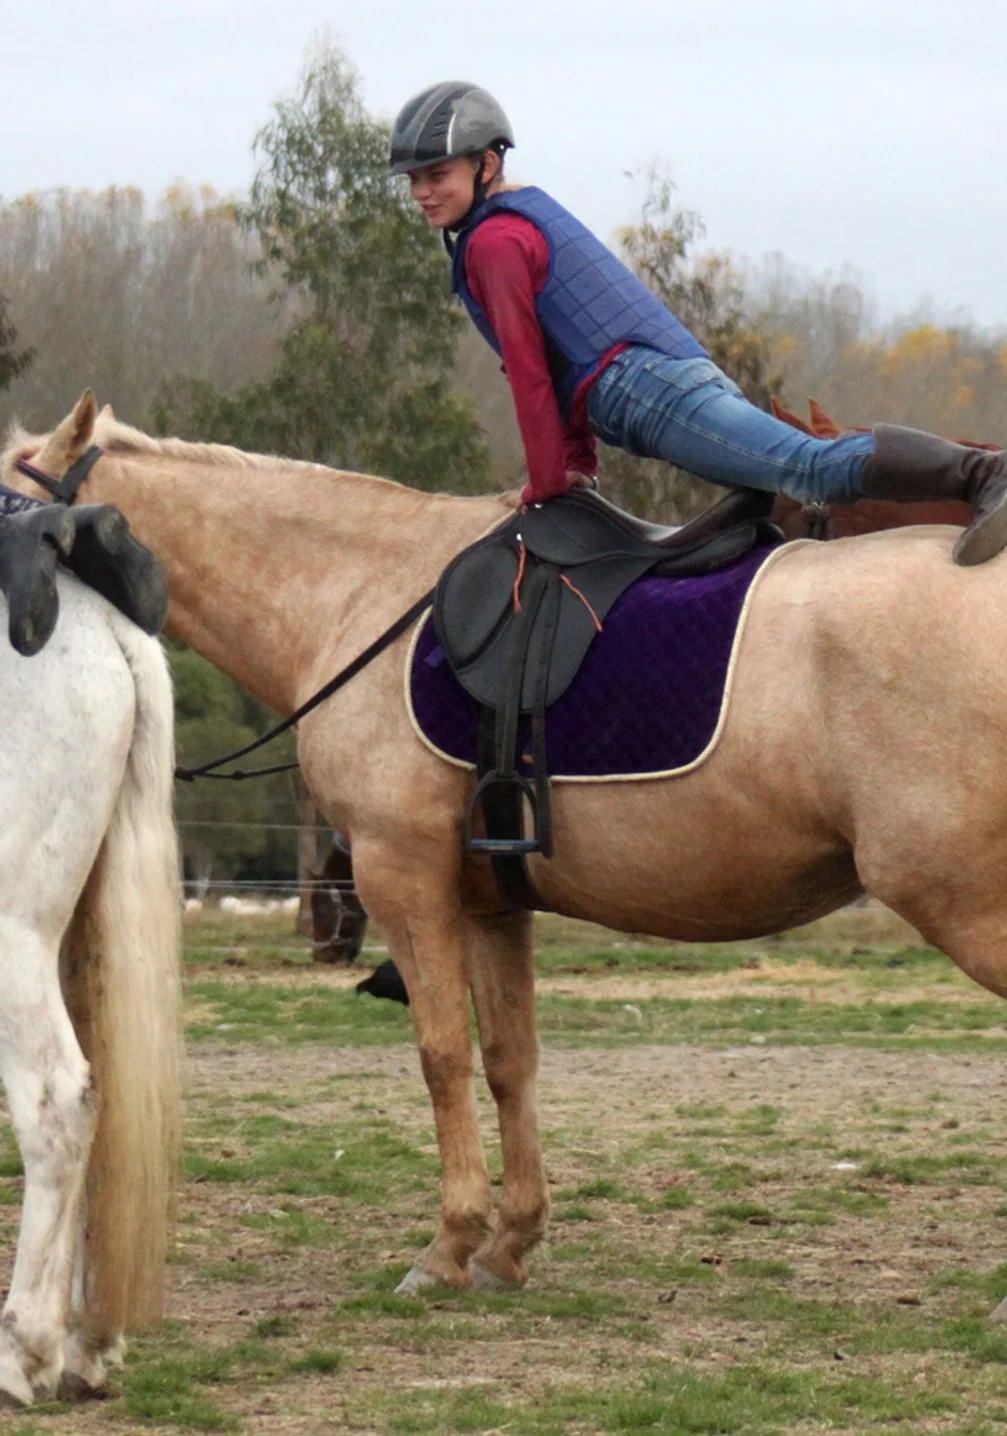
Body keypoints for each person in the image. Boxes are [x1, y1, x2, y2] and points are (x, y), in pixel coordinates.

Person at [389, 81, 1007, 566]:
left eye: (436, 175)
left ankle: (986, 473)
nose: (422, 192)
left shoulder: (494, 243)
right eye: (415, 180)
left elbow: (528, 373)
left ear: (486, 164)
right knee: (779, 493)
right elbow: (554, 359)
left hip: (651, 395)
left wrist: (547, 484)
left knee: (807, 469)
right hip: (660, 387)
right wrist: (577, 462)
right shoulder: (507, 224)